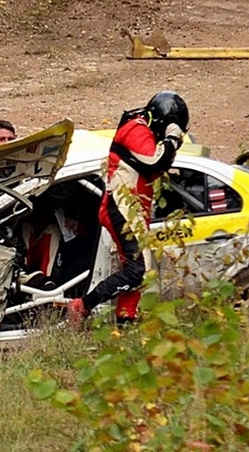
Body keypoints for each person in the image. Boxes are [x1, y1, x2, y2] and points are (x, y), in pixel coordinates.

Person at [68, 91, 189, 324]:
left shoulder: (143, 129)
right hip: (121, 207)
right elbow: (156, 160)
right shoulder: (136, 130)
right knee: (138, 270)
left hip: (133, 210)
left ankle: (126, 323)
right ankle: (82, 306)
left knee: (137, 273)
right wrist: (172, 139)